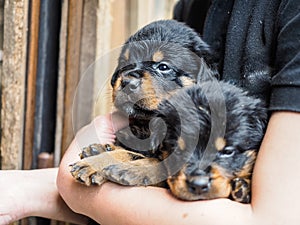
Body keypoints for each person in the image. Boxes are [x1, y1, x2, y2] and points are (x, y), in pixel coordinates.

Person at [1, 0, 300, 224]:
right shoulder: (194, 7)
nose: (129, 80)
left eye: (163, 67)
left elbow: (273, 219)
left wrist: (64, 185)